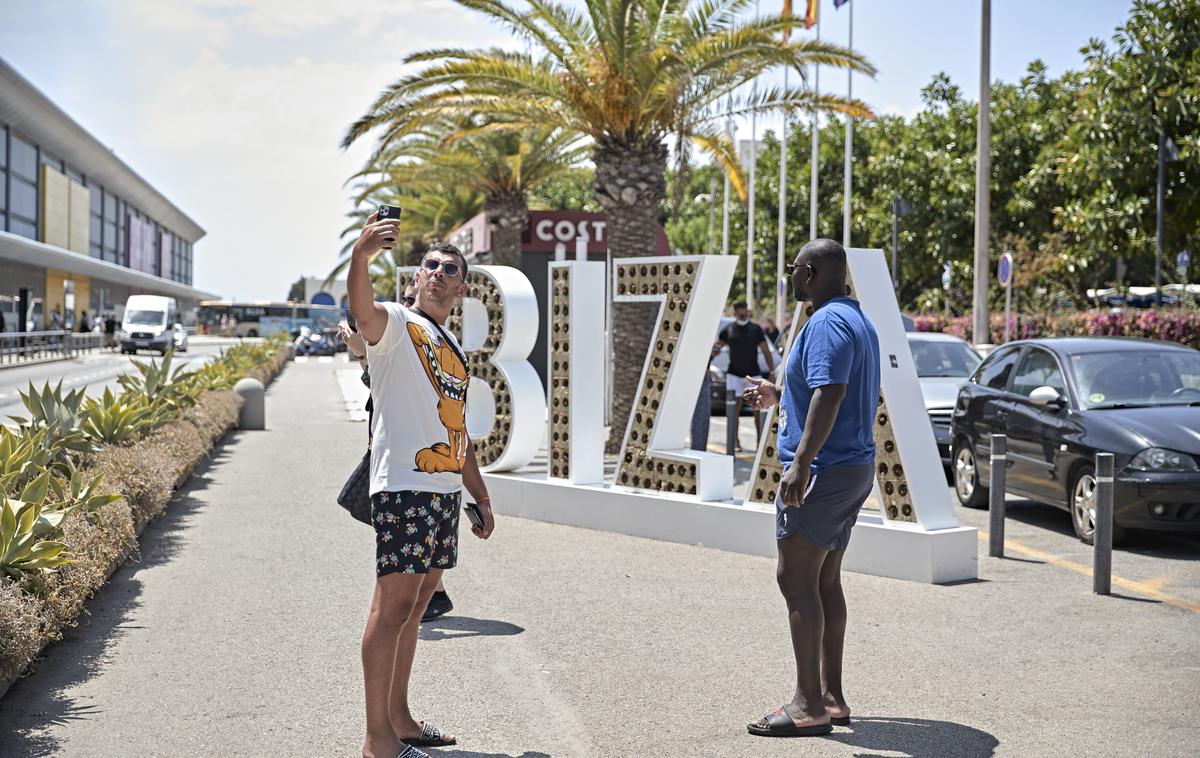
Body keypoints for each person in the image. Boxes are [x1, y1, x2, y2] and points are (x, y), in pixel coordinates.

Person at [348, 218, 496, 758]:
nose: (437, 274)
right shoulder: (393, 325)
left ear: (462, 288)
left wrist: (478, 495)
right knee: (391, 608)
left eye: (449, 269)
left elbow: (457, 430)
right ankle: (377, 742)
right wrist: (361, 256)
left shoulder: (448, 343)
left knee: (417, 606)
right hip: (405, 488)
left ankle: (401, 720)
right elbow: (362, 309)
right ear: (415, 279)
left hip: (442, 491)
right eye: (429, 266)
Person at [742, 238, 880, 738]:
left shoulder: (824, 323)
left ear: (814, 272)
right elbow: (827, 386)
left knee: (795, 579)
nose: (790, 277)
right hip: (852, 468)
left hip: (823, 471)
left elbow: (832, 391)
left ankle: (807, 707)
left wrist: (800, 463)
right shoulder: (856, 318)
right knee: (825, 581)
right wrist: (782, 394)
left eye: (794, 269)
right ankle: (831, 696)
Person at [343, 284, 455, 624]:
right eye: (405, 299)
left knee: (399, 596)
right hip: (403, 467)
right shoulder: (402, 335)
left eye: (409, 299)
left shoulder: (430, 341)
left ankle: (432, 595)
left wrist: (362, 353)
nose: (407, 305)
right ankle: (427, 597)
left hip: (421, 473)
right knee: (398, 589)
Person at [715, 301, 775, 451]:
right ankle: (735, 442)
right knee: (733, 410)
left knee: (757, 408)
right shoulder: (728, 330)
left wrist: (772, 371)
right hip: (734, 375)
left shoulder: (755, 329)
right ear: (735, 312)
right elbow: (717, 347)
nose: (743, 314)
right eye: (740, 311)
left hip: (752, 374)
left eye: (745, 310)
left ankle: (759, 443)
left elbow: (766, 350)